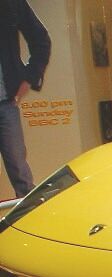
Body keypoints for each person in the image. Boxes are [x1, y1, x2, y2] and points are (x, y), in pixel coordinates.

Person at [0, 0, 51, 198]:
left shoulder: (11, 4)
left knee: (21, 177)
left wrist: (29, 78)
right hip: (7, 103)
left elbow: (41, 41)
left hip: (5, 104)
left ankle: (28, 225)